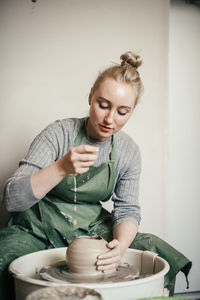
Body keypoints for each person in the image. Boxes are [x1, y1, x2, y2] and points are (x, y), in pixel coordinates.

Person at [0, 51, 191, 299]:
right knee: (3, 257)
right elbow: (11, 199)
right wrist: (61, 168)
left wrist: (120, 248)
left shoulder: (128, 151)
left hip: (90, 228)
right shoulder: (58, 134)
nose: (110, 119)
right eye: (103, 105)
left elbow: (128, 210)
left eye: (123, 112)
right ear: (90, 96)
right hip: (36, 226)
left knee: (154, 251)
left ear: (132, 111)